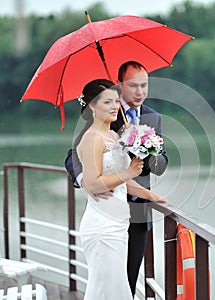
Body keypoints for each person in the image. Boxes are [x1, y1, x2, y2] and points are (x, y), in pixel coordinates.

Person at [65, 61, 168, 296]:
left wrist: (146, 150)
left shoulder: (153, 118)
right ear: (121, 86)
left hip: (136, 214)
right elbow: (73, 155)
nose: (139, 92)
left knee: (125, 283)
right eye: (133, 85)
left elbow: (160, 164)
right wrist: (86, 180)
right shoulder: (104, 115)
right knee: (108, 284)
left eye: (144, 85)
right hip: (105, 214)